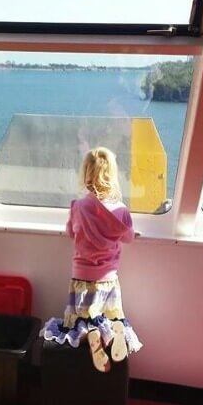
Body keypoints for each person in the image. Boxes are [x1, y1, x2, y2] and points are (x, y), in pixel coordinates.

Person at [42, 147, 143, 372]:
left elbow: (71, 232)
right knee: (111, 315)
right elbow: (128, 238)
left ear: (86, 175)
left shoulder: (78, 207)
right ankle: (113, 331)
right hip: (108, 280)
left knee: (77, 322)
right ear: (113, 176)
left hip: (81, 278)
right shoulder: (121, 211)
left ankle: (91, 335)